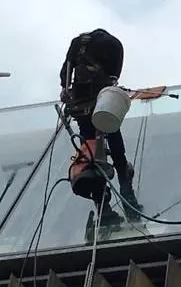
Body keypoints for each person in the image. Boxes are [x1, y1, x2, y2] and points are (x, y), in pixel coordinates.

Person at [59, 28, 142, 224]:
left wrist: (65, 89)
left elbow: (65, 73)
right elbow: (114, 76)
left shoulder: (77, 43)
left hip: (81, 103)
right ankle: (122, 171)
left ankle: (102, 205)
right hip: (102, 100)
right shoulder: (113, 45)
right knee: (110, 129)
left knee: (90, 146)